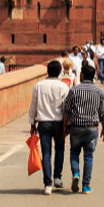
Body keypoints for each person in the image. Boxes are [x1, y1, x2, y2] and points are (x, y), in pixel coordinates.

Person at [62, 64, 104, 193]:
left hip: (76, 127)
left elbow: (67, 111)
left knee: (74, 152)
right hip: (92, 127)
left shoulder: (74, 90)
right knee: (88, 156)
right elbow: (102, 112)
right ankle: (86, 185)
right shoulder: (99, 92)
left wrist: (64, 127)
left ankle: (76, 174)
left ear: (82, 75)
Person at [28, 60, 69, 194]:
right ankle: (57, 177)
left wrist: (32, 123)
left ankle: (48, 184)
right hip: (58, 122)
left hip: (43, 123)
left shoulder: (39, 86)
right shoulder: (63, 87)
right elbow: (66, 108)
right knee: (60, 149)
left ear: (48, 71)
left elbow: (33, 106)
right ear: (59, 72)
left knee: (46, 153)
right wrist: (67, 125)